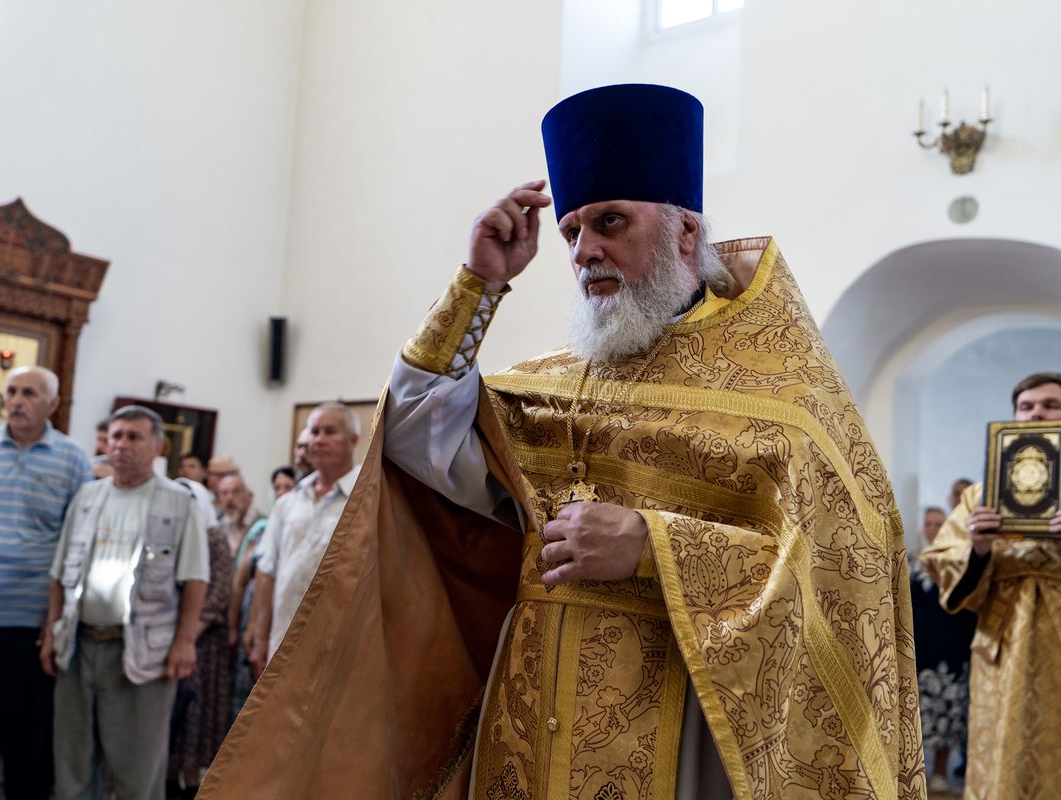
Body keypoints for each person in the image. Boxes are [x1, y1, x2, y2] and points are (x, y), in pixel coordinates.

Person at [203, 84, 924, 799]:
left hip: (686, 737)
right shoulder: (551, 385)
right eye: (571, 231)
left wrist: (651, 546)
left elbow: (843, 570)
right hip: (527, 725)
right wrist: (479, 283)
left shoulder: (781, 396)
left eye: (611, 222)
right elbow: (415, 436)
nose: (586, 250)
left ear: (686, 231)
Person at [42, 405, 209, 799]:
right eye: (116, 436)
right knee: (73, 765)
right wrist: (51, 631)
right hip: (79, 644)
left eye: (134, 437)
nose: (121, 445)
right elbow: (59, 573)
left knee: (137, 771)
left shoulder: (178, 501)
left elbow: (194, 579)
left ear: (157, 446)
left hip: (143, 651)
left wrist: (185, 642)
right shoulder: (87, 497)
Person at [0, 365, 93, 799]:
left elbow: (77, 544)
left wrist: (55, 622)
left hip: (30, 617)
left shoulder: (72, 459)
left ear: (53, 404)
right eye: (12, 391)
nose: (16, 401)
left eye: (29, 393)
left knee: (25, 733)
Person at [921, 371, 1061, 799]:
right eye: (1026, 406)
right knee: (1005, 752)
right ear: (1014, 416)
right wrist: (978, 548)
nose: (1036, 413)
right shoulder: (981, 494)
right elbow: (941, 559)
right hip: (1004, 639)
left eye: (1051, 405)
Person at [244, 405, 360, 678]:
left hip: (341, 644)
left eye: (330, 432)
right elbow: (267, 572)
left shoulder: (367, 496)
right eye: (314, 431)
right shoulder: (288, 503)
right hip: (283, 639)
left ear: (353, 440)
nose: (319, 439)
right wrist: (260, 639)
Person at [167, 477, 234, 799]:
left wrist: (188, 632)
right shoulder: (170, 533)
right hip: (168, 640)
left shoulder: (214, 537)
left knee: (196, 714)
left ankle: (192, 783)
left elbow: (219, 592)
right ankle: (168, 780)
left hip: (204, 645)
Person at [910, 506, 975, 794]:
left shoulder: (957, 562)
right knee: (919, 713)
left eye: (939, 524)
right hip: (918, 649)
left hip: (950, 648)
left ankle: (939, 771)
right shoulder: (911, 561)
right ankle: (916, 772)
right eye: (929, 523)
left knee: (948, 711)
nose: (934, 528)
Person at [227, 465, 296, 710]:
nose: (281, 492)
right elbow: (240, 580)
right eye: (277, 487)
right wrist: (237, 627)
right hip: (254, 618)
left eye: (288, 487)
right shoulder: (261, 529)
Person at [216, 473, 261, 558]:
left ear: (249, 496)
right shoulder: (218, 526)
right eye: (224, 493)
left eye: (236, 492)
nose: (229, 497)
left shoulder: (261, 525)